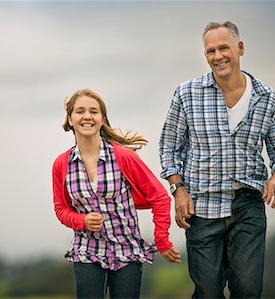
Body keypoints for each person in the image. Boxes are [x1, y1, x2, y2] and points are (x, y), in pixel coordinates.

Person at [159, 21, 275, 298]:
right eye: (210, 51)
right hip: (201, 207)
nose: (217, 56)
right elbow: (169, 148)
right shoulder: (187, 94)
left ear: (240, 48)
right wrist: (178, 190)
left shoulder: (266, 98)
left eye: (224, 48)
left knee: (247, 289)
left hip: (248, 205)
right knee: (208, 291)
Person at [52, 88, 180, 299]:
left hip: (127, 250)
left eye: (93, 111)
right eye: (80, 111)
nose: (87, 116)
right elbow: (61, 209)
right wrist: (82, 220)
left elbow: (159, 197)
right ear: (70, 119)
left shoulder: (123, 157)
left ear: (102, 119)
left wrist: (162, 239)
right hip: (87, 250)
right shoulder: (61, 164)